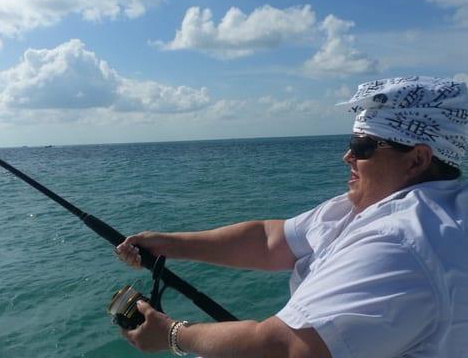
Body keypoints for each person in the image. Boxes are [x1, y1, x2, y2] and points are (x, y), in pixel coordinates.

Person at [116, 76, 468, 358]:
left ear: (418, 160)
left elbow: (284, 348)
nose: (347, 156)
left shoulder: (401, 241)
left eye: (363, 147)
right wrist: (166, 245)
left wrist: (172, 335)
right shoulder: (359, 208)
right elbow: (269, 241)